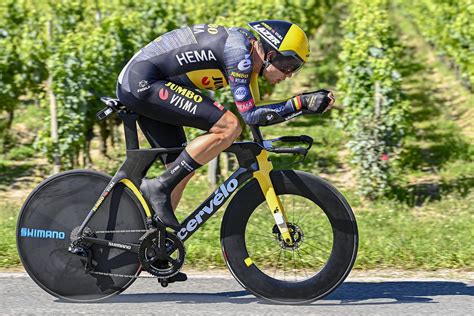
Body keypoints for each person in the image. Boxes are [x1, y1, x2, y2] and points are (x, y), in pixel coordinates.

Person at [116, 20, 335, 279]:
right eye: (290, 66)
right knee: (228, 127)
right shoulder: (239, 54)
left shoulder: (249, 60)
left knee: (182, 170)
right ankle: (157, 187)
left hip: (152, 82)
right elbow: (250, 116)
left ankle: (151, 250)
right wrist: (301, 103)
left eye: (295, 69)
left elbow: (257, 115)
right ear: (271, 54)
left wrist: (299, 106)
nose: (289, 74)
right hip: (143, 82)